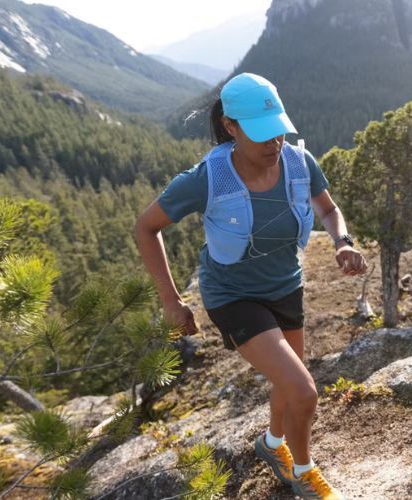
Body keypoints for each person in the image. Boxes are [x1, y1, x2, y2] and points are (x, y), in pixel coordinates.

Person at [134, 73, 366, 500]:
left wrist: (342, 243)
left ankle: (272, 445)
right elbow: (146, 228)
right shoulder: (205, 179)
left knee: (288, 381)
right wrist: (171, 300)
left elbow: (329, 210)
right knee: (302, 389)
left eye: (277, 130)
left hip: (285, 285)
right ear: (231, 127)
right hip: (233, 296)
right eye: (261, 135)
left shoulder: (299, 162)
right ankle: (302, 472)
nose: (274, 143)